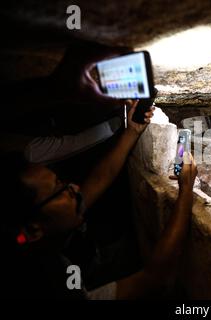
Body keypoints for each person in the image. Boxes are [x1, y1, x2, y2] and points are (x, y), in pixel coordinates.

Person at [0, 100, 198, 299]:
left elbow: (100, 178)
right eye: (59, 191)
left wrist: (133, 131)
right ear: (33, 230)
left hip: (89, 261)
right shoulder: (52, 286)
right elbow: (155, 277)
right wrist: (186, 189)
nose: (75, 188)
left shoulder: (47, 231)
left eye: (61, 182)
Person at [0, 42, 131, 164]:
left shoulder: (26, 150)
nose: (69, 186)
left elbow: (72, 144)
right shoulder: (29, 152)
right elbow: (73, 144)